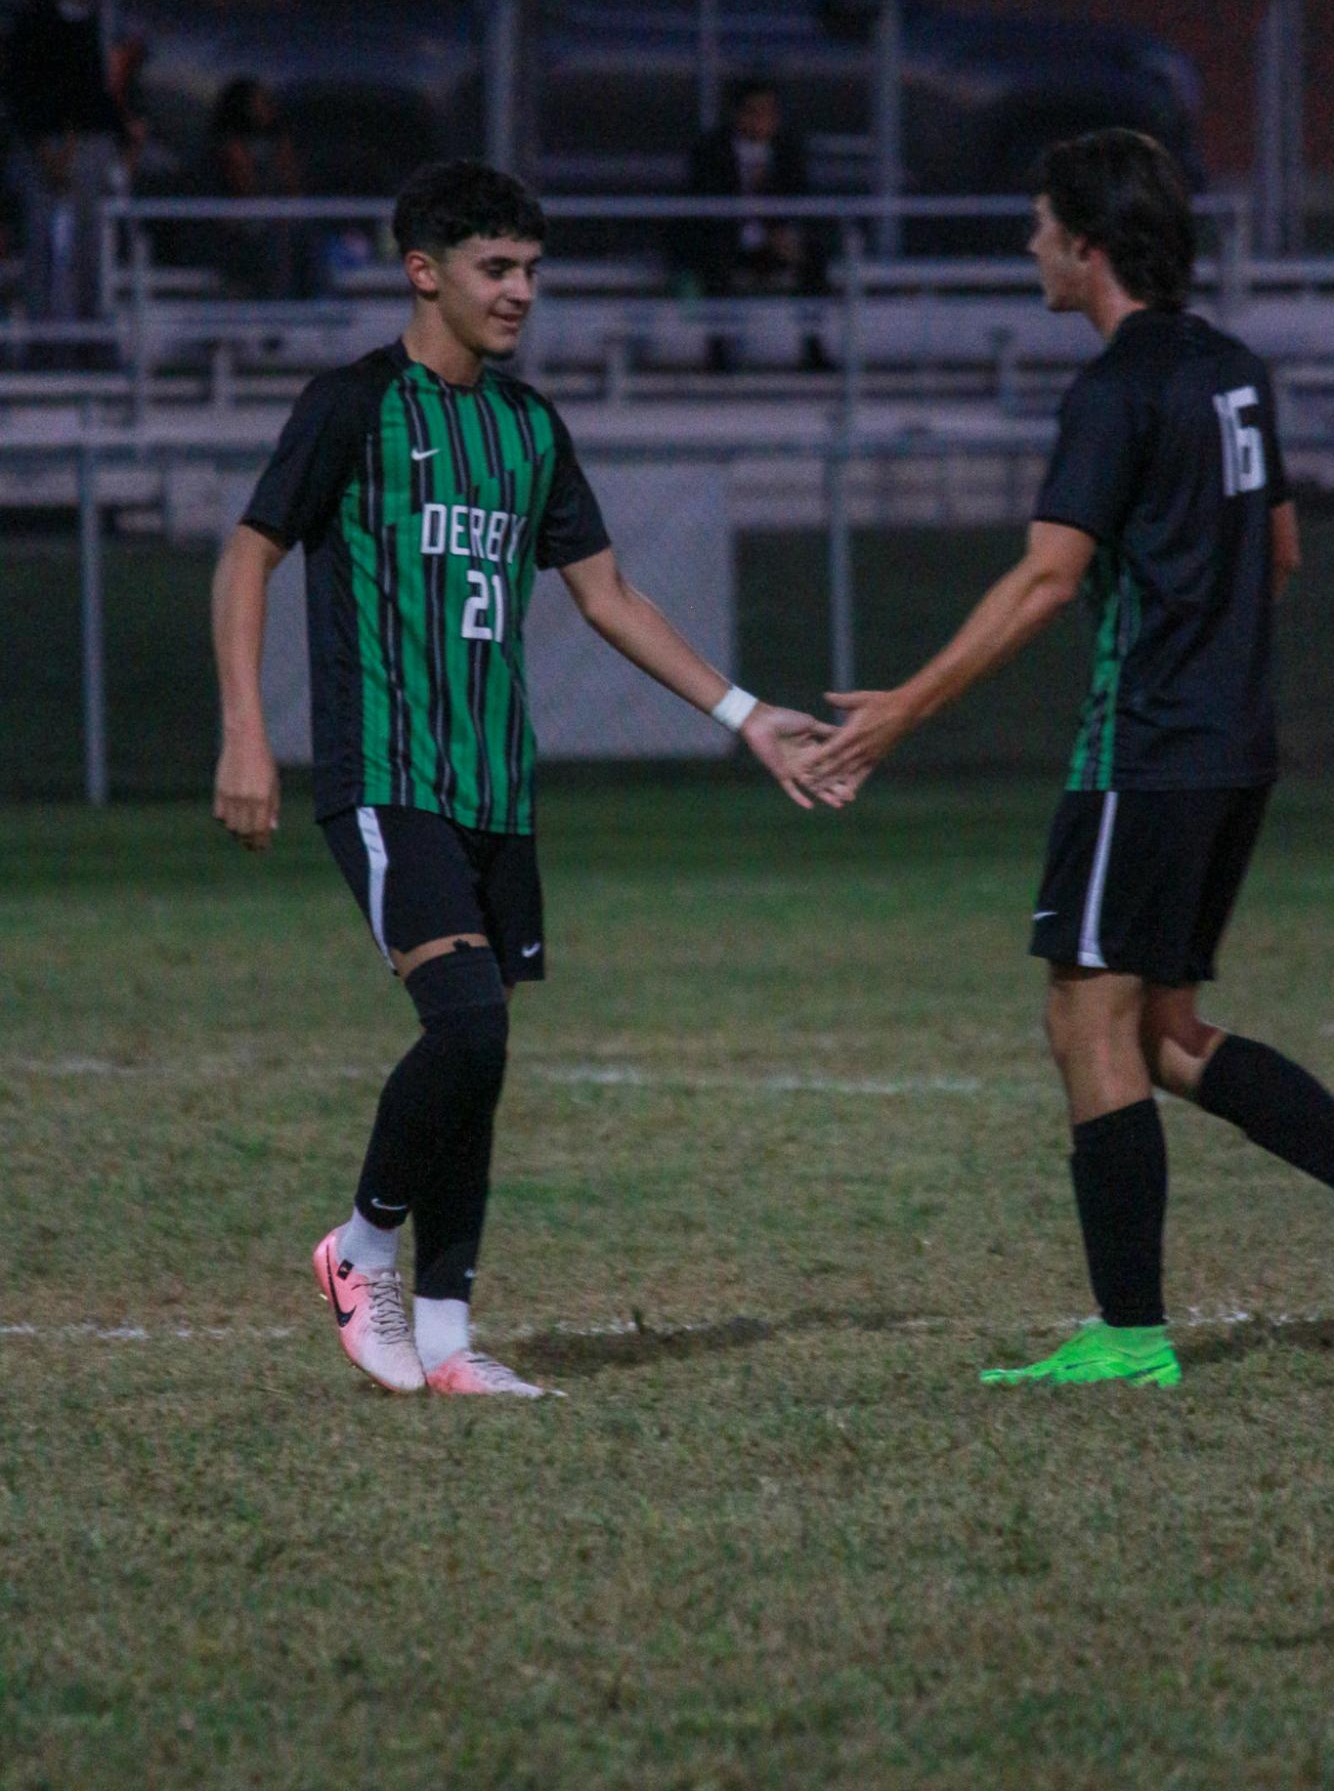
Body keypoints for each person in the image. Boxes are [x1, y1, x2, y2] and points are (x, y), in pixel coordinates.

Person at [212, 158, 846, 1401]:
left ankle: (446, 1337)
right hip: (389, 775)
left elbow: (607, 597)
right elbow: (248, 556)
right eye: (496, 270)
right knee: (469, 1025)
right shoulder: (352, 407)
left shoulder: (526, 429)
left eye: (531, 273)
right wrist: (245, 730)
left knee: (481, 1058)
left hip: (495, 786)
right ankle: (361, 1246)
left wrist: (743, 713)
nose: (519, 294)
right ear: (424, 272)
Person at [808, 128, 1332, 1389]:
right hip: (1234, 749)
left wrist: (901, 710)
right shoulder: (1234, 370)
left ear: (1088, 246)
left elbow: (1045, 577)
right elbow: (1278, 554)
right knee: (1159, 1031)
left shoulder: (1111, 391)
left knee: (1079, 1018)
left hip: (1141, 753)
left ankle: (1129, 1336)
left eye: (1041, 226)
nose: (1028, 245)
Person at [4, 0, 141, 339]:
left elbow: (99, 92)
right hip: (45, 148)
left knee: (89, 247)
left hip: (90, 145)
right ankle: (44, 337)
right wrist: (48, 149)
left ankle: (88, 335)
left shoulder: (98, 19)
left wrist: (119, 140)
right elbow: (25, 92)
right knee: (45, 245)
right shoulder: (36, 20)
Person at [679, 76, 832, 373]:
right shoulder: (712, 149)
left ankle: (813, 347)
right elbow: (706, 203)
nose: (763, 120)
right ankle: (719, 353)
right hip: (728, 240)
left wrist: (779, 229)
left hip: (776, 240)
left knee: (814, 254)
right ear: (738, 114)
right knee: (714, 256)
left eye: (770, 112)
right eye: (755, 111)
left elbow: (800, 197)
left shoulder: (788, 149)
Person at [202, 76, 307, 298]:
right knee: (272, 243)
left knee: (306, 238)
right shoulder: (229, 145)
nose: (267, 108)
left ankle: (318, 306)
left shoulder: (279, 142)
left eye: (268, 102)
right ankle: (277, 306)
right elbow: (245, 190)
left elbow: (293, 188)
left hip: (276, 221)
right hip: (242, 227)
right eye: (260, 102)